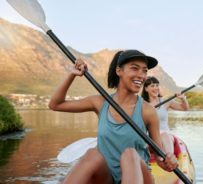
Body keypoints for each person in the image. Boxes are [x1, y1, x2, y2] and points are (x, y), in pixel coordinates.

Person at [48, 50, 178, 184]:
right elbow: (55, 105)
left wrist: (169, 160)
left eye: (144, 71)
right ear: (119, 71)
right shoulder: (100, 102)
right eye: (134, 68)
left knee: (130, 155)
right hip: (107, 177)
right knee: (92, 154)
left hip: (140, 176)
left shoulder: (148, 111)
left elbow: (160, 159)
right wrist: (72, 75)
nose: (141, 75)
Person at [141, 76, 189, 154]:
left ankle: (170, 158)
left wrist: (183, 99)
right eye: (152, 86)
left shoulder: (166, 101)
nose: (156, 88)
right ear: (146, 89)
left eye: (157, 85)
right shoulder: (142, 105)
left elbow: (184, 108)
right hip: (150, 137)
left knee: (165, 136)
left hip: (166, 135)